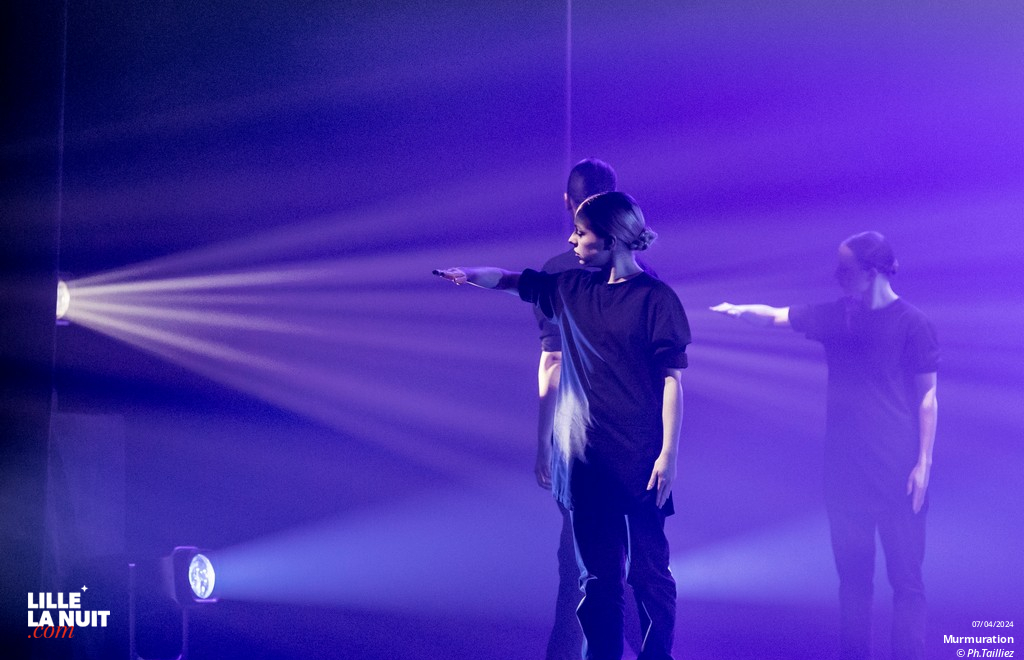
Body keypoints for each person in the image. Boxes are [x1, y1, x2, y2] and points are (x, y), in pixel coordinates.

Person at [436, 191, 690, 660]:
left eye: (581, 231)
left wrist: (668, 455)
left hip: (638, 460)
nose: (572, 239)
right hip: (585, 461)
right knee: (597, 582)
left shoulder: (656, 299)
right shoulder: (572, 288)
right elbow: (513, 281)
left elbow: (671, 381)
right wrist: (469, 275)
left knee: (650, 576)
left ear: (611, 239)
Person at [711, 231, 938, 660]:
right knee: (853, 583)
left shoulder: (913, 324)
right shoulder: (838, 318)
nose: (837, 277)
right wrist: (739, 311)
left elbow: (928, 397)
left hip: (898, 475)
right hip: (845, 477)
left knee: (906, 583)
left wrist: (923, 464)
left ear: (871, 273)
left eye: (845, 269)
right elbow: (777, 316)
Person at [536, 159, 640, 660]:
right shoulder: (640, 273)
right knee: (618, 561)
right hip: (628, 441)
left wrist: (543, 442)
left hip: (578, 440)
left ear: (567, 202)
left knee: (578, 565)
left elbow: (552, 362)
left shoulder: (558, 273)